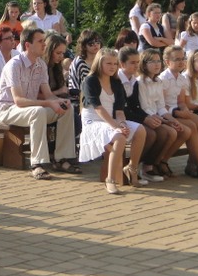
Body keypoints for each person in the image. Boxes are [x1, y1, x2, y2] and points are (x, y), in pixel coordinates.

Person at [0, 27, 78, 180]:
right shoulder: (14, 65)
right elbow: (19, 100)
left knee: (68, 109)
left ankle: (62, 159)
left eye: (44, 41)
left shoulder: (41, 65)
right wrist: (48, 103)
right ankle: (37, 164)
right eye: (40, 41)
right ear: (27, 45)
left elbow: (48, 95)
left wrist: (59, 101)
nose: (44, 45)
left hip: (29, 109)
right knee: (38, 111)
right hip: (7, 109)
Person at [79, 48, 146, 194]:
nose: (113, 67)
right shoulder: (90, 81)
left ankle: (132, 168)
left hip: (111, 119)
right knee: (119, 136)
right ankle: (110, 179)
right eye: (108, 63)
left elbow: (119, 111)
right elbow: (98, 108)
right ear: (99, 63)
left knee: (140, 130)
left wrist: (122, 124)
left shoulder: (116, 83)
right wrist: (117, 127)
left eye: (115, 64)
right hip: (93, 120)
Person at [159, 45, 198, 179]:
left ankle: (192, 163)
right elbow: (161, 105)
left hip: (177, 110)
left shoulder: (181, 79)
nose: (181, 62)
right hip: (166, 113)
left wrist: (185, 110)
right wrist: (178, 114)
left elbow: (181, 102)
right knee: (191, 126)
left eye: (183, 58)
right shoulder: (163, 79)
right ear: (167, 62)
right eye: (177, 59)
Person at [137, 48, 187, 179]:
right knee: (166, 132)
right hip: (145, 117)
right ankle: (143, 166)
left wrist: (172, 120)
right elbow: (145, 107)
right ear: (144, 64)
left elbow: (161, 106)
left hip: (156, 117)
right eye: (152, 61)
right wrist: (164, 121)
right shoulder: (140, 82)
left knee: (174, 130)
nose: (157, 64)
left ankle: (154, 163)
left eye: (158, 61)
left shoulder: (158, 81)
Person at [117, 47, 165, 183]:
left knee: (162, 132)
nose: (136, 65)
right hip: (117, 118)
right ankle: (132, 167)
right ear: (122, 64)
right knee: (150, 133)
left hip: (129, 117)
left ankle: (145, 167)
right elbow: (121, 109)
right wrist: (145, 119)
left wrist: (148, 118)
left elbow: (135, 107)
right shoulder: (117, 80)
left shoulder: (133, 81)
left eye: (137, 62)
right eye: (132, 62)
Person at [68, 29, 102, 93]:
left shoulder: (101, 61)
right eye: (91, 43)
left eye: (98, 42)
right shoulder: (78, 63)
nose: (95, 45)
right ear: (84, 46)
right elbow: (74, 87)